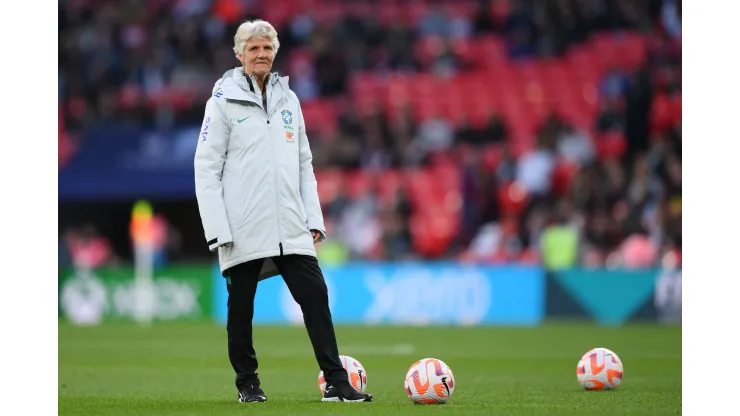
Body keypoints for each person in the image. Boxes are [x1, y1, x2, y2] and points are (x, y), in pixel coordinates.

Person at [194, 19, 373, 404]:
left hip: (290, 223)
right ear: (240, 54)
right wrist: (217, 229)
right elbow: (206, 167)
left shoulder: (289, 100)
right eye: (254, 49)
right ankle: (248, 384)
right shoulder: (221, 102)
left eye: (267, 48)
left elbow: (304, 163)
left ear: (275, 52)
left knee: (316, 297)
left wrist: (313, 218)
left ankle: (337, 382)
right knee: (241, 309)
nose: (261, 55)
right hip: (242, 226)